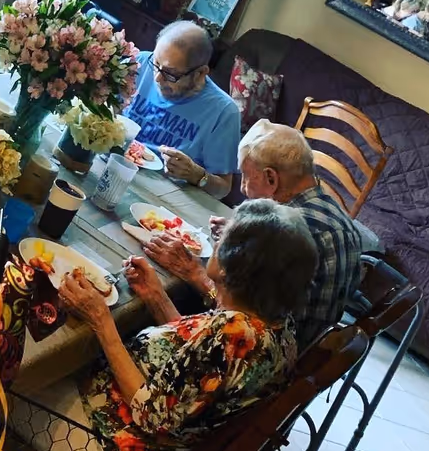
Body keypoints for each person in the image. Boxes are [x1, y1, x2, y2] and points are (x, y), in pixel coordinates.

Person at [48, 199, 317, 451]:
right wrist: (157, 298)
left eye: (222, 239)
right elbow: (196, 370)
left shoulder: (230, 335)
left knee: (20, 376)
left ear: (230, 269)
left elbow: (150, 414)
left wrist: (100, 320)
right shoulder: (277, 327)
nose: (216, 242)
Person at [148, 120, 362, 347]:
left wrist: (195, 273)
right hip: (310, 349)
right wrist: (248, 238)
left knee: (167, 294)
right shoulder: (333, 215)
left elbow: (248, 325)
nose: (242, 188)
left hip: (272, 355)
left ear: (271, 178)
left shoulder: (288, 235)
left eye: (246, 176)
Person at [123, 21, 238, 198]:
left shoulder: (223, 112)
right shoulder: (139, 63)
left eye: (170, 74)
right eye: (156, 63)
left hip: (163, 196)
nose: (158, 78)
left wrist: (196, 174)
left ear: (200, 73)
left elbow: (223, 188)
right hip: (117, 164)